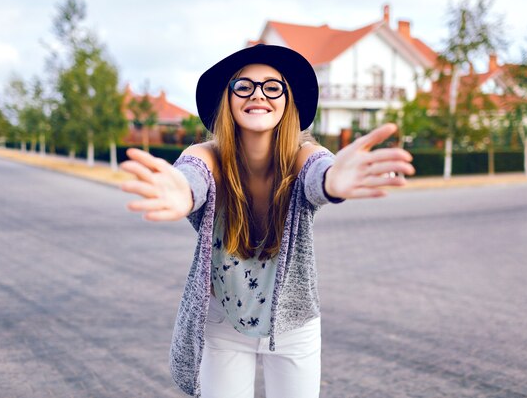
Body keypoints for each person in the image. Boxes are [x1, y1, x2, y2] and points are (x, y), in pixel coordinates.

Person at [120, 44, 415, 398]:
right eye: (244, 86)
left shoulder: (302, 154)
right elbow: (192, 176)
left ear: (287, 99)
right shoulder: (207, 155)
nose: (258, 94)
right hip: (222, 322)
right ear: (227, 99)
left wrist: (333, 180)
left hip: (293, 326)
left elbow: (318, 171)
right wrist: (183, 192)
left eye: (272, 86)